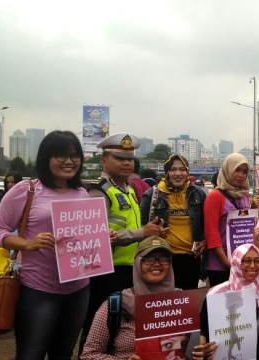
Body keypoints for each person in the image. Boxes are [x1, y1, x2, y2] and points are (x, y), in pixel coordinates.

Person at [0, 130, 90, 359]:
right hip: (38, 290)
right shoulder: (27, 190)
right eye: (60, 155)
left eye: (74, 155)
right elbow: (0, 230)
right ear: (45, 158)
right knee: (31, 354)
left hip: (79, 288)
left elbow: (86, 233)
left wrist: (99, 237)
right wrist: (28, 244)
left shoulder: (82, 193)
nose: (69, 161)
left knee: (63, 353)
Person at [81, 132, 166, 354]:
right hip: (105, 273)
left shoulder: (127, 190)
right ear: (104, 161)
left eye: (129, 158)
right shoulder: (98, 193)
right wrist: (141, 233)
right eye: (119, 158)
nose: (126, 163)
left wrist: (152, 233)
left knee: (121, 330)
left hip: (129, 270)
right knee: (97, 328)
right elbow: (96, 238)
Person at [82, 236, 216, 360]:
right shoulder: (116, 304)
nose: (157, 263)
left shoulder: (181, 301)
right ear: (137, 263)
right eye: (149, 258)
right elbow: (89, 354)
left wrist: (201, 351)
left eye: (163, 258)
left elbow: (192, 347)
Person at [140, 154, 207, 290]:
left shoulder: (198, 194)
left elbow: (206, 224)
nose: (178, 174)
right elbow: (141, 225)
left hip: (191, 258)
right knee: (167, 303)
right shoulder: (152, 194)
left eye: (182, 169)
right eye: (173, 169)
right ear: (167, 172)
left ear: (187, 171)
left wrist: (205, 241)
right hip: (163, 259)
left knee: (188, 302)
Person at [200, 243, 259, 359]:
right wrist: (204, 348)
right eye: (246, 261)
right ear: (236, 262)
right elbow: (204, 329)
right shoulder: (217, 294)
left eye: (258, 261)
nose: (253, 266)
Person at [203, 153, 259, 287]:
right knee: (224, 306)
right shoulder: (215, 197)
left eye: (245, 171)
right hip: (220, 265)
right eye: (237, 170)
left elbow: (246, 224)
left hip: (243, 263)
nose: (241, 175)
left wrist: (253, 208)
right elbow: (212, 234)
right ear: (227, 170)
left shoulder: (244, 195)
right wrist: (227, 263)